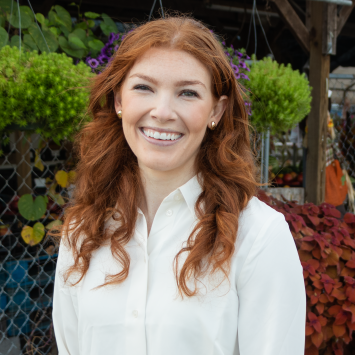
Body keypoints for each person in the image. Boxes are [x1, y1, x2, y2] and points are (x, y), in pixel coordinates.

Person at [52, 15, 306, 355]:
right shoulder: (82, 232)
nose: (162, 111)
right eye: (143, 87)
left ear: (216, 110)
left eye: (187, 93)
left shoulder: (258, 236)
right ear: (118, 100)